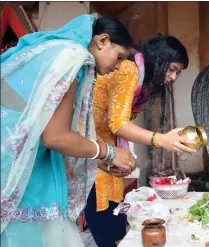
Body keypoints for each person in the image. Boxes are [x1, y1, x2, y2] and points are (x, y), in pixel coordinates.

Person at [0, 15, 136, 247]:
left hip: (21, 153)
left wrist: (97, 159)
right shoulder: (73, 59)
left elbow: (49, 128)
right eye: (119, 57)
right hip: (18, 162)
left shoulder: (58, 49)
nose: (116, 67)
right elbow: (55, 137)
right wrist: (108, 152)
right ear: (103, 41)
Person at [85, 34, 196, 247]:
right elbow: (118, 124)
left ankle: (118, 240)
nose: (173, 77)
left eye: (177, 73)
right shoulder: (129, 69)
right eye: (171, 69)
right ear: (159, 59)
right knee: (98, 199)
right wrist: (161, 139)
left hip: (109, 143)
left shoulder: (141, 75)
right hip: (92, 140)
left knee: (114, 200)